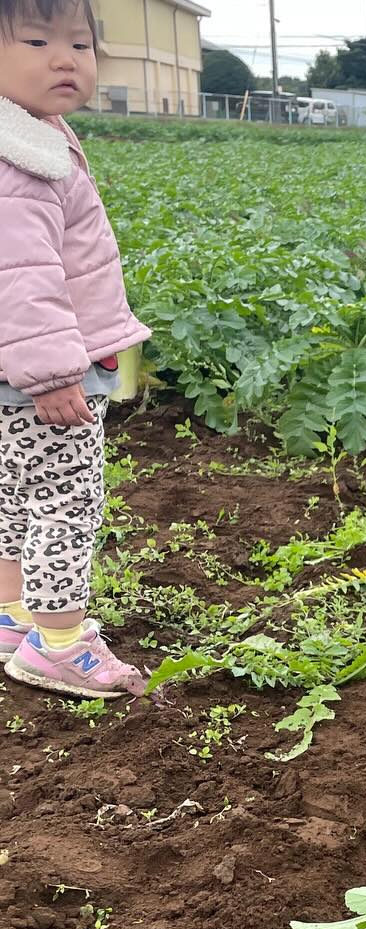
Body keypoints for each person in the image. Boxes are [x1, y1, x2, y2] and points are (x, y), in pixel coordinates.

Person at [0, 0, 148, 698]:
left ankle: (10, 615)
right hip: (42, 372)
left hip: (14, 373)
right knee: (65, 498)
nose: (66, 58)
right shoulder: (20, 162)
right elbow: (22, 279)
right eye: (36, 40)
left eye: (81, 45)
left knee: (13, 496)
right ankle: (58, 642)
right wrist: (55, 372)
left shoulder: (29, 133)